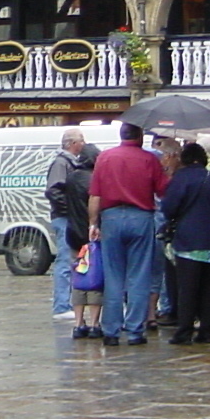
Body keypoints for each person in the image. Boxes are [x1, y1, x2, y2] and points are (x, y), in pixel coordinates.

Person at [87, 122, 169, 345]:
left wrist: (93, 224)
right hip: (141, 217)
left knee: (113, 276)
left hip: (111, 217)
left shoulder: (105, 158)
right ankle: (134, 330)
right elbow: (163, 190)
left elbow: (95, 195)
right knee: (139, 276)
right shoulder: (149, 159)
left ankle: (111, 331)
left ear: (121, 135)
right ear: (140, 136)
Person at [160, 142, 210, 343]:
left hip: (188, 241)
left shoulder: (180, 179)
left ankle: (185, 330)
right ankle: (206, 330)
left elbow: (169, 208)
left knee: (187, 289)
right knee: (209, 288)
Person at [44, 130, 95, 323]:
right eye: (82, 141)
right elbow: (53, 190)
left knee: (71, 261)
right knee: (65, 261)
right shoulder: (62, 163)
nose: (84, 144)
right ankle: (61, 305)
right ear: (73, 143)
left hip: (67, 217)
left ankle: (67, 302)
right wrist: (71, 208)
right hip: (64, 218)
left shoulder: (69, 162)